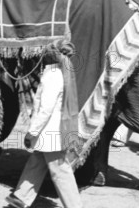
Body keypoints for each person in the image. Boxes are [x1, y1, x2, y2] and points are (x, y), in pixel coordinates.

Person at [6, 39, 82, 208]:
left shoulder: (53, 76)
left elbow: (45, 109)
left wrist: (32, 131)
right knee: (37, 162)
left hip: (49, 132)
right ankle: (21, 197)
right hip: (49, 132)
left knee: (60, 171)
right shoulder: (58, 73)